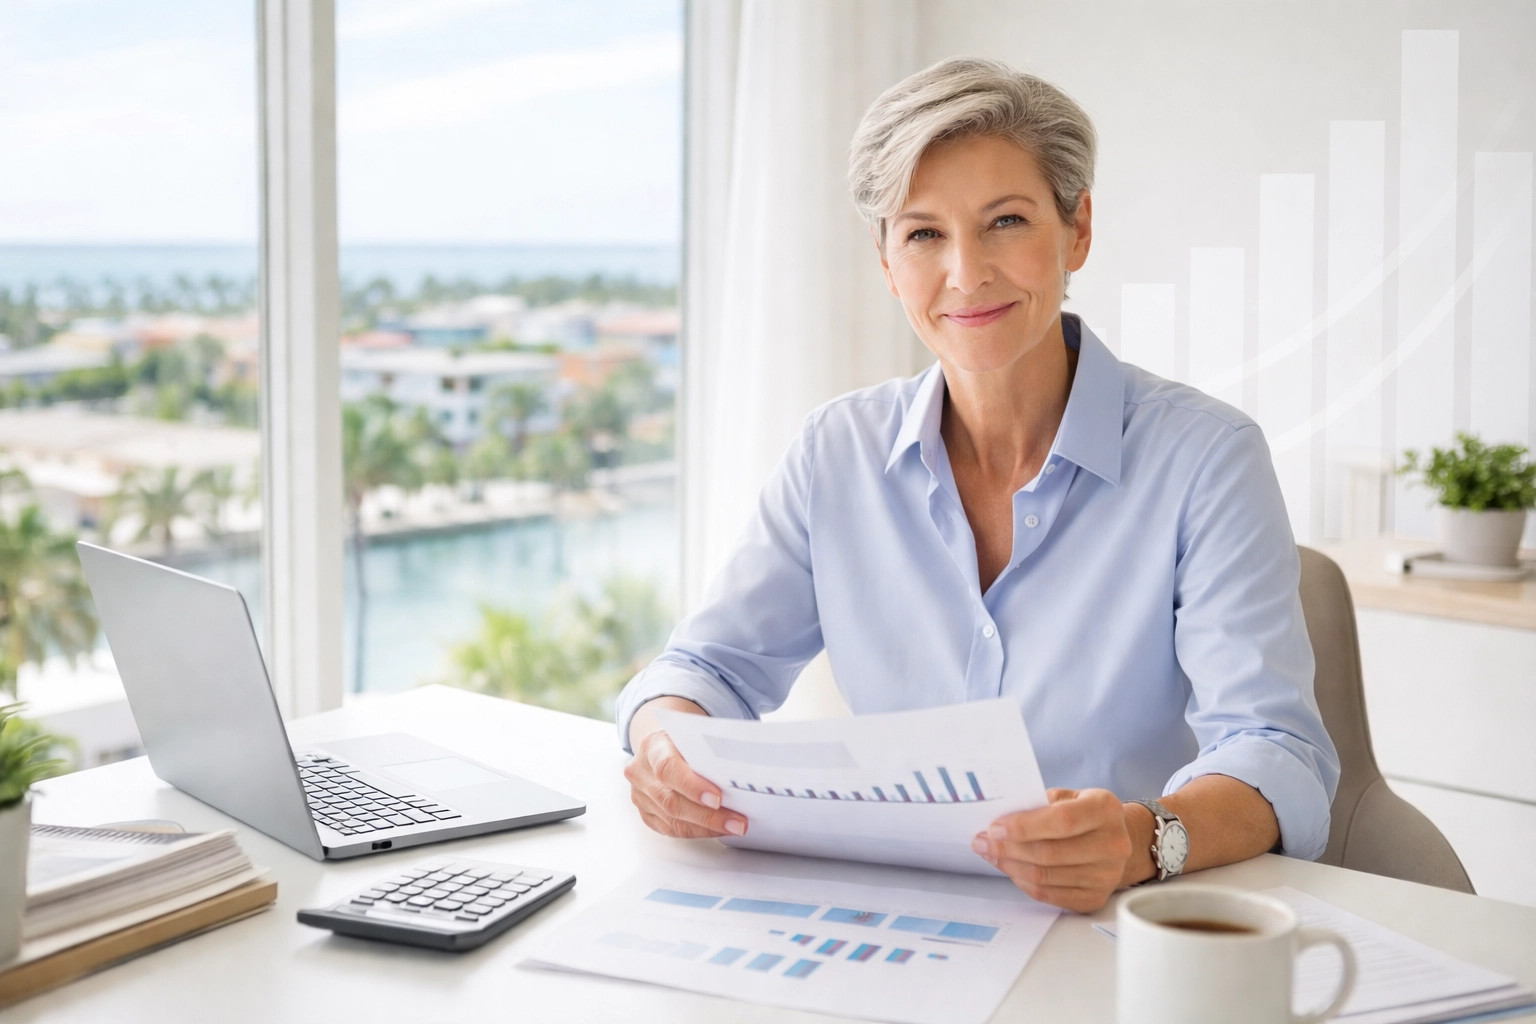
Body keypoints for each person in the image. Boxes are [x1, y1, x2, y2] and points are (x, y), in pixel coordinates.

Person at [617, 57, 1339, 913]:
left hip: (1120, 929)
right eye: (923, 234)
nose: (966, 272)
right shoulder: (835, 453)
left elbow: (1275, 746)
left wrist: (1145, 838)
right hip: (900, 928)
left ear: (1077, 232)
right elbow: (701, 667)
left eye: (1005, 221)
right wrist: (668, 749)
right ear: (886, 262)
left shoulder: (1207, 460)